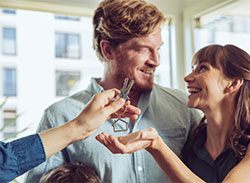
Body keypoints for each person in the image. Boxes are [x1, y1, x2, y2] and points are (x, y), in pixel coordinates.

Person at [25, 0, 201, 182]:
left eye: (158, 49)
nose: (155, 61)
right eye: (143, 50)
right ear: (108, 50)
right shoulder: (60, 117)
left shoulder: (184, 108)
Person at [96, 44, 250, 182]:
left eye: (203, 68)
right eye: (192, 69)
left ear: (233, 84)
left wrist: (156, 146)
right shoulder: (193, 141)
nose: (187, 78)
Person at [0, 89, 139, 183]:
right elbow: (5, 162)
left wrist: (79, 126)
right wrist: (79, 127)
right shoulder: (57, 113)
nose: (154, 61)